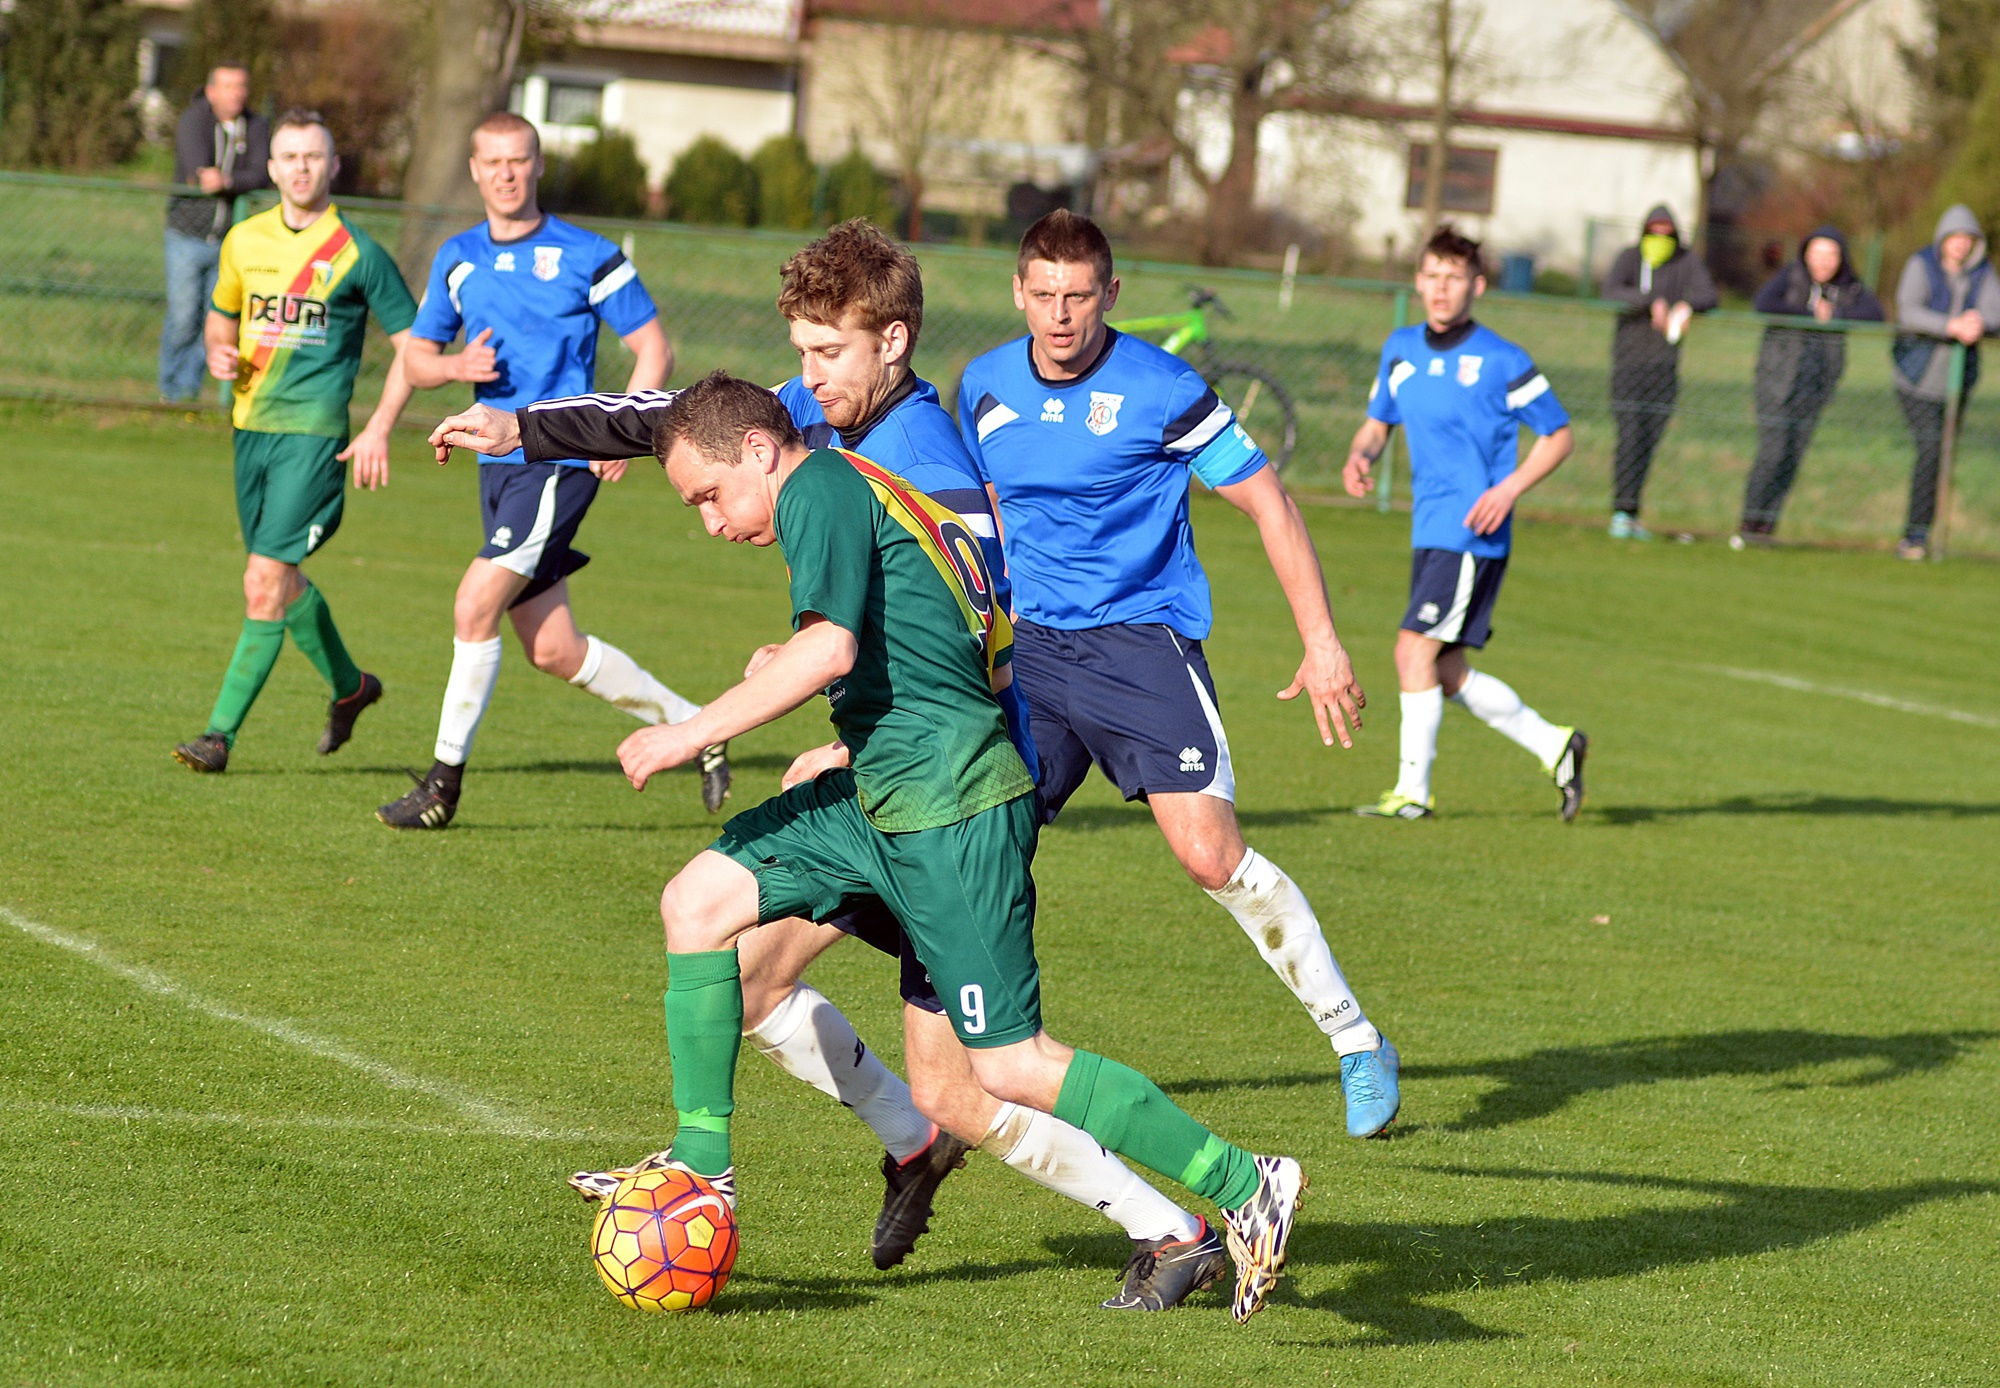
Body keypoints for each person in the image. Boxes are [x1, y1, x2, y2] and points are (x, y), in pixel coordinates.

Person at [431, 224, 1234, 1313]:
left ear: (889, 344)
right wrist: (526, 428)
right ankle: (863, 1149)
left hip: (943, 797)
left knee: (979, 1080)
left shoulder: (925, 462)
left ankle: (1181, 1218)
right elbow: (689, 422)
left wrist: (840, 712)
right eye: (800, 354)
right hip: (886, 790)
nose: (803, 380)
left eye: (823, 355)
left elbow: (974, 636)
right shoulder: (826, 418)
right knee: (739, 963)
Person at [616, 369, 1306, 1325]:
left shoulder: (819, 486)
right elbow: (947, 628)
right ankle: (702, 1170)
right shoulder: (859, 483)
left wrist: (684, 731)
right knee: (697, 904)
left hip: (951, 814)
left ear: (761, 452)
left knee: (1010, 1065)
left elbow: (834, 651)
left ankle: (1244, 1181)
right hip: (880, 797)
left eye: (708, 495)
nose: (710, 520)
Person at [956, 210, 1400, 1139]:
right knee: (979, 841)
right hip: (1030, 652)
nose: (1060, 316)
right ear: (1018, 293)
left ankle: (1355, 1038)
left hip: (1138, 647)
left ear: (1111, 295)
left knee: (1209, 856)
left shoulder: (1164, 390)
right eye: (1043, 296)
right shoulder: (986, 386)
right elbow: (977, 515)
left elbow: (1269, 503)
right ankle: (985, 1048)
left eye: (1079, 296)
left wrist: (1321, 641)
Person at [373, 112, 724, 829]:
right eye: (492, 161)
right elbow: (415, 357)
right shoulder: (458, 256)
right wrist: (453, 367)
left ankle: (442, 788)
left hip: (559, 460)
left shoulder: (586, 254)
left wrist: (620, 430)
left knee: (474, 605)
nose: (505, 172)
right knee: (553, 647)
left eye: (519, 159)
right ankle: (702, 728)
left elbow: (654, 349)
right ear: (474, 170)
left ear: (537, 165)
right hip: (493, 462)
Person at [171, 110, 415, 775]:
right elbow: (221, 324)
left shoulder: (359, 253)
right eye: (289, 156)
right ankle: (351, 687)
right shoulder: (244, 241)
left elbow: (414, 351)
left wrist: (378, 426)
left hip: (314, 439)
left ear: (333, 167)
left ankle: (218, 736)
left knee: (262, 581)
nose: (301, 167)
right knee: (281, 579)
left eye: (314, 156)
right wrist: (220, 355)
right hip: (250, 432)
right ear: (271, 168)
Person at [1341, 225, 1586, 822]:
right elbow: (1378, 422)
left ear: (1477, 285)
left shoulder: (1503, 360)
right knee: (1445, 668)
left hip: (1472, 534)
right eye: (1432, 276)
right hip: (1429, 530)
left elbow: (1559, 435)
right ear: (1418, 281)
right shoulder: (1400, 349)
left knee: (1411, 651)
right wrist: (1361, 454)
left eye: (1455, 278)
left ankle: (1412, 796)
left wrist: (1508, 489)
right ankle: (1556, 745)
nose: (1441, 289)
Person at [1733, 227, 1884, 547]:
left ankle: (1766, 529)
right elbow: (1763, 303)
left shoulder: (1848, 287)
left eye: (1831, 255)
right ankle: (1748, 522)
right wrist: (1809, 314)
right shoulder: (1791, 277)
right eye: (1817, 254)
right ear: (1805, 254)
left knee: (1792, 455)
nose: (1823, 262)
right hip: (1777, 380)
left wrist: (1837, 314)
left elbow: (1875, 314)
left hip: (1818, 384)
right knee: (1772, 451)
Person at [1889, 204, 2000, 561]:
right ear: (1944, 239)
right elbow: (1908, 310)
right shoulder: (1921, 265)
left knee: (1943, 454)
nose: (1961, 245)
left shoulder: (1983, 272)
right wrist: (1950, 325)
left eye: (1968, 239)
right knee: (1931, 450)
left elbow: (1994, 311)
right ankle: (1915, 536)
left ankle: (1929, 534)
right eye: (1956, 238)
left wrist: (1977, 322)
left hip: (1957, 383)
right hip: (1916, 378)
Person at [1603, 204, 1717, 539]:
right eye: (1655, 231)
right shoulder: (1629, 258)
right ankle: (1621, 510)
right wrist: (1649, 301)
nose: (1661, 238)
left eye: (1667, 231)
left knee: (1649, 439)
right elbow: (1611, 291)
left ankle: (1633, 512)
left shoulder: (1686, 261)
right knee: (1629, 436)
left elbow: (1708, 294)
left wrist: (1687, 306)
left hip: (1665, 365)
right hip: (1628, 363)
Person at [161, 63, 270, 404]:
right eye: (227, 86)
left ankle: (188, 393)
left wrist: (229, 181)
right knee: (183, 318)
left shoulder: (256, 126)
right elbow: (200, 174)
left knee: (216, 321)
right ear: (211, 91)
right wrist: (220, 179)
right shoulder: (194, 120)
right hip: (187, 235)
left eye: (241, 86)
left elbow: (261, 173)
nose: (235, 93)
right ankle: (170, 391)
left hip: (230, 242)